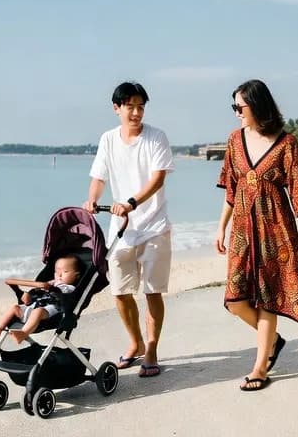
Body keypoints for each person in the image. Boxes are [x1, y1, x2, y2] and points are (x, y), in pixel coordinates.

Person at [215, 79, 298, 392]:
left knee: (268, 300)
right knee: (234, 300)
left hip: (276, 231)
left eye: (240, 107)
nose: (236, 113)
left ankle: (260, 367)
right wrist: (221, 226)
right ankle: (272, 340)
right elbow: (232, 189)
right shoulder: (234, 140)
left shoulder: (286, 144)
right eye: (234, 107)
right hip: (243, 231)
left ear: (257, 106)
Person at [83, 81, 174, 378]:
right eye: (130, 106)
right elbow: (99, 176)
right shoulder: (108, 139)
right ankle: (134, 342)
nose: (136, 112)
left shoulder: (156, 137)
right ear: (116, 109)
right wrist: (93, 199)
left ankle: (151, 349)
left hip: (153, 226)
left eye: (141, 107)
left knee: (152, 291)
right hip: (121, 229)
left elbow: (158, 179)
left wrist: (132, 202)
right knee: (120, 292)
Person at [0, 255, 81, 343]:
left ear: (76, 275)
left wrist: (50, 288)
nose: (59, 275)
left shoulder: (70, 288)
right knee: (15, 308)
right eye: (57, 272)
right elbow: (39, 291)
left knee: (38, 311)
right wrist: (29, 295)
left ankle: (23, 333)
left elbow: (61, 293)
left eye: (65, 272)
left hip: (53, 309)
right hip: (36, 305)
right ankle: (0, 328)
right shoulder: (51, 282)